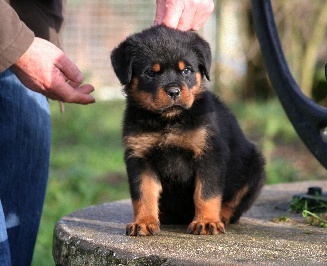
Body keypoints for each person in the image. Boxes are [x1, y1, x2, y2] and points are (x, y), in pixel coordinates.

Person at [0, 0, 214, 265]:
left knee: (16, 226)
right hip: (15, 35)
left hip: (26, 22)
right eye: (152, 73)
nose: (172, 87)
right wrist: (16, 45)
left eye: (185, 71)